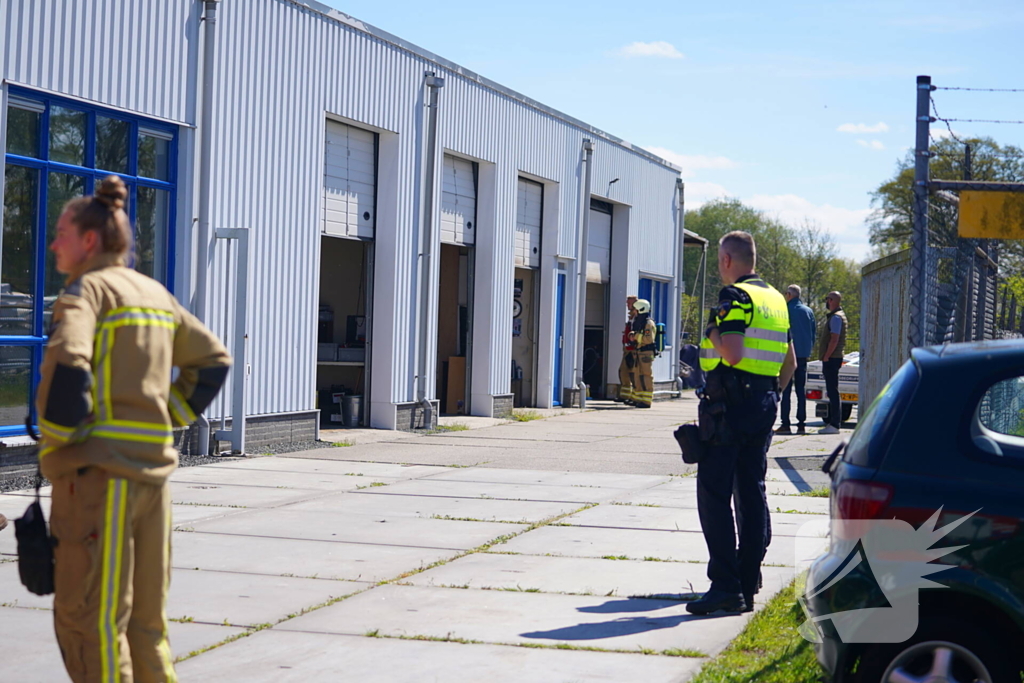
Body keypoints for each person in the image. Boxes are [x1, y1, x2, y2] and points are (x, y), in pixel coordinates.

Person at [37, 176, 231, 683]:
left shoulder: (86, 291)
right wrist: (164, 419)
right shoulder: (154, 293)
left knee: (91, 623)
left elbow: (69, 372)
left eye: (61, 232)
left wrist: (58, 450)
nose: (53, 242)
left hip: (98, 482)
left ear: (89, 241)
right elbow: (213, 362)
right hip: (152, 484)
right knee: (147, 627)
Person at [689, 231, 797, 615]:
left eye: (721, 260)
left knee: (715, 493)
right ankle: (748, 581)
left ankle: (724, 586)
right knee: (751, 491)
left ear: (727, 261)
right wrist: (772, 396)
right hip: (764, 402)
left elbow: (732, 354)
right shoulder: (776, 302)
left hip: (730, 406)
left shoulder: (735, 297)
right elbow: (791, 363)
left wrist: (712, 333)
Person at [776, 285, 816, 435]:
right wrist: (808, 349)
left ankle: (785, 423)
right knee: (801, 390)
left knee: (785, 389)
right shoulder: (808, 311)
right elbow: (813, 334)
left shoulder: (785, 310)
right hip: (803, 355)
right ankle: (801, 424)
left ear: (789, 294)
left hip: (787, 355)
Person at [817, 291, 847, 435]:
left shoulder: (835, 318)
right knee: (832, 389)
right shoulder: (837, 316)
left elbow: (834, 339)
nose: (826, 302)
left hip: (832, 358)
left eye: (827, 299)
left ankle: (834, 424)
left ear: (831, 300)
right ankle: (833, 423)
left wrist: (826, 356)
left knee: (833, 390)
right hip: (834, 357)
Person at [629, 299, 657, 409]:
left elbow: (648, 339)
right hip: (639, 352)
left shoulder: (648, 323)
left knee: (646, 376)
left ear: (641, 309)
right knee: (637, 375)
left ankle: (646, 401)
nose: (634, 312)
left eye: (636, 310)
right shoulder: (641, 322)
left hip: (646, 353)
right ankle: (638, 398)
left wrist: (635, 336)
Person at [616, 295, 638, 405]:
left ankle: (634, 397)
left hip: (633, 351)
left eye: (629, 303)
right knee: (623, 372)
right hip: (627, 349)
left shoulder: (638, 317)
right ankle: (624, 395)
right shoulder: (631, 317)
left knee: (633, 374)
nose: (627, 305)